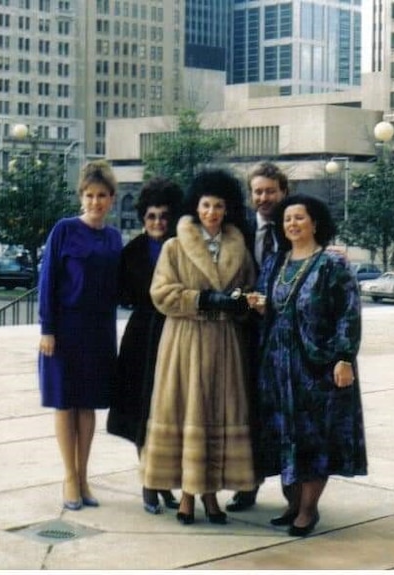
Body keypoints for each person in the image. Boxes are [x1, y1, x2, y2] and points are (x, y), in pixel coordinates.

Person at [141, 168, 257, 525]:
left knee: (216, 416)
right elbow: (161, 294)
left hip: (225, 343)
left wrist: (239, 304)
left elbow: (249, 289)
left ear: (227, 209)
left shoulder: (238, 247)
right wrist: (204, 299)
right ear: (196, 206)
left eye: (219, 206)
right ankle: (188, 496)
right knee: (188, 413)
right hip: (185, 343)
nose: (212, 212)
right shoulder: (175, 247)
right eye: (206, 205)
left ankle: (211, 494)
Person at [247, 193, 366, 537]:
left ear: (315, 222)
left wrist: (345, 357)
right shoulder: (276, 262)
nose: (292, 224)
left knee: (314, 437)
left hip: (317, 366)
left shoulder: (332, 263)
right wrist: (260, 305)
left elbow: (349, 312)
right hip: (276, 366)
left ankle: (308, 510)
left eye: (299, 218)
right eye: (287, 219)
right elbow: (275, 307)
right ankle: (292, 502)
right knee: (284, 435)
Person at [38, 160, 123, 511]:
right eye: (89, 195)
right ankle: (69, 478)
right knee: (64, 403)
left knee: (87, 405)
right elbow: (47, 282)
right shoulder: (64, 230)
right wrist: (47, 328)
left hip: (98, 331)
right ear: (81, 197)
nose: (95, 202)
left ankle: (85, 475)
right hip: (64, 329)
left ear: (112, 199)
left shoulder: (114, 237)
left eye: (102, 196)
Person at [107, 177, 183, 515]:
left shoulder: (183, 248)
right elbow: (120, 292)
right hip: (141, 336)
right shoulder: (133, 251)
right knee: (141, 411)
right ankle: (149, 483)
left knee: (169, 411)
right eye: (151, 216)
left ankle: (164, 481)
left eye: (163, 216)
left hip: (175, 332)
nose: (157, 223)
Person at [228, 161, 290, 513]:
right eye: (258, 191)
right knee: (248, 411)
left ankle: (292, 492)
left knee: (284, 413)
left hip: (283, 335)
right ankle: (248, 484)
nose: (264, 197)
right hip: (247, 335)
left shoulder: (295, 225)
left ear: (283, 192)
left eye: (270, 191)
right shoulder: (242, 229)